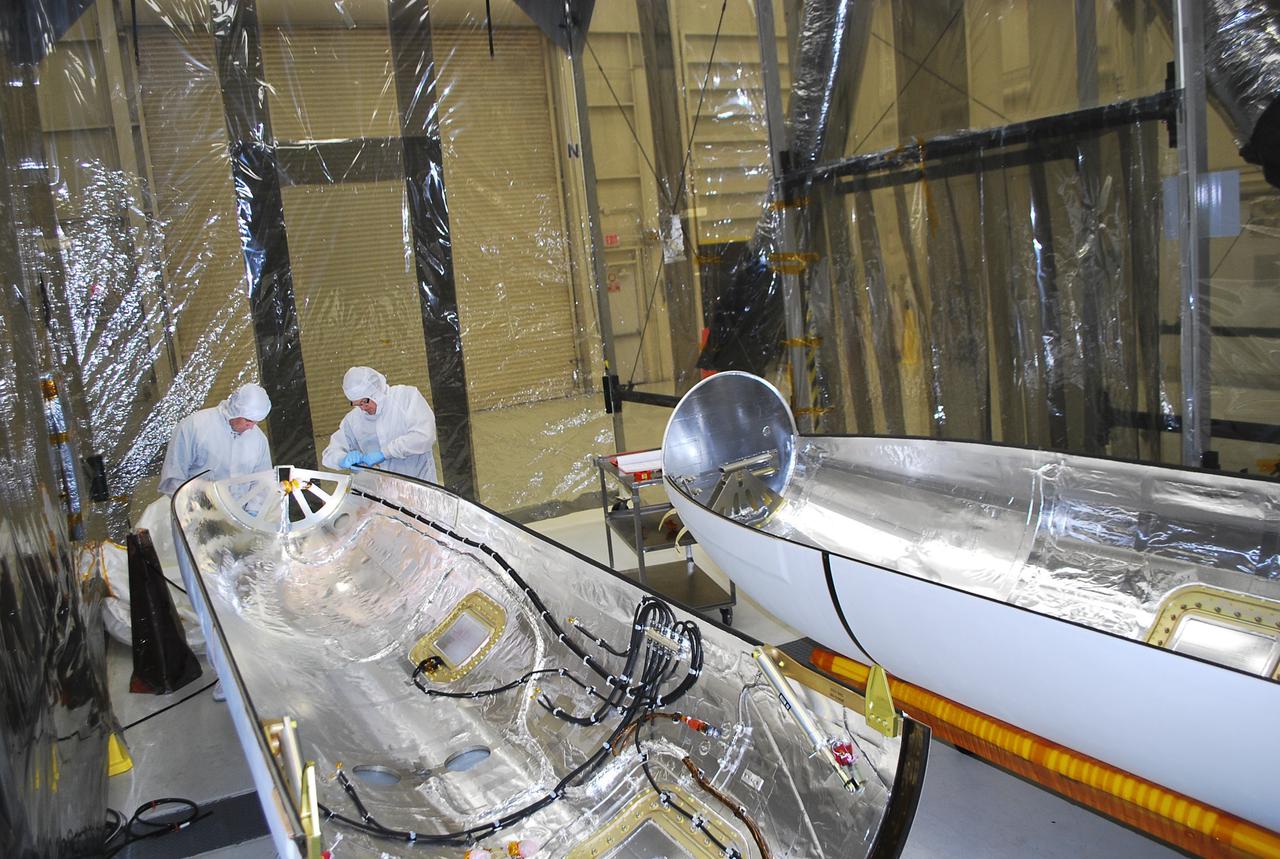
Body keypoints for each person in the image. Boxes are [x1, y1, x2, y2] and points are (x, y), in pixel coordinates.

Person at [322, 367, 438, 481]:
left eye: (364, 402)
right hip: (381, 493)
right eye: (357, 404)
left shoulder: (406, 398)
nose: (363, 408)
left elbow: (425, 435)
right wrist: (342, 459)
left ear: (375, 391)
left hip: (421, 486)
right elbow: (329, 453)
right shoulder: (353, 420)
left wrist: (385, 453)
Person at [158, 383, 273, 495]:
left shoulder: (259, 441)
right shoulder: (194, 426)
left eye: (256, 421)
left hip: (239, 512)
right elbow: (173, 478)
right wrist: (192, 507)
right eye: (248, 420)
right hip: (194, 510)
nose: (251, 427)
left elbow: (262, 484)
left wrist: (252, 512)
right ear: (235, 411)